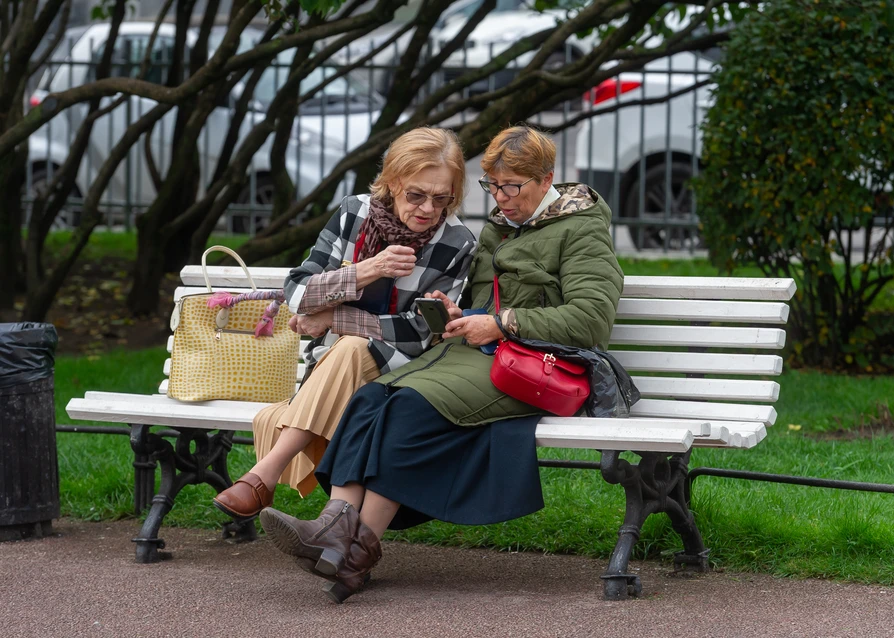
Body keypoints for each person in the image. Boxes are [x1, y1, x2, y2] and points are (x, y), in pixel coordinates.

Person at [259, 125, 624, 604]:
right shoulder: (501, 226)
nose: (501, 197)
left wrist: (500, 323)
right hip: (482, 353)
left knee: (408, 404)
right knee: (373, 398)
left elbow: (591, 320)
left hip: (540, 364)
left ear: (546, 178)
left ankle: (352, 553)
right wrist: (457, 314)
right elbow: (480, 302)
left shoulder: (581, 226)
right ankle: (335, 530)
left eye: (512, 186)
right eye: (493, 185)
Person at [212, 127, 477, 522]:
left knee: (351, 346)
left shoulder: (457, 243)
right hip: (330, 366)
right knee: (347, 352)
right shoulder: (354, 213)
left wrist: (336, 317)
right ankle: (339, 533)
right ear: (392, 182)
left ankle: (263, 476)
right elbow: (298, 293)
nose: (427, 209)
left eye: (442, 199)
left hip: (401, 371)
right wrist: (368, 270)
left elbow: (420, 333)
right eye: (416, 195)